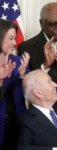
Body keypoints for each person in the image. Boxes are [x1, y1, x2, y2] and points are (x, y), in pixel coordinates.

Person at [0, 19, 30, 149]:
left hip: (19, 122)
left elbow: (30, 95)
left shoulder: (19, 61)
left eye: (15, 38)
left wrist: (22, 75)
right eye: (11, 38)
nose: (15, 43)